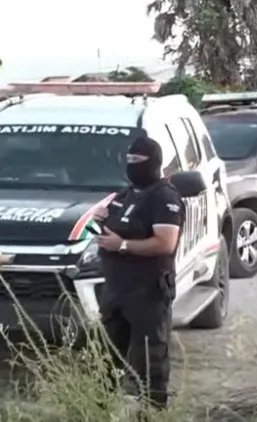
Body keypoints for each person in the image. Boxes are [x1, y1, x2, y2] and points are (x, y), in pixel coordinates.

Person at [92, 135, 185, 409]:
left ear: (154, 162)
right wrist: (99, 221)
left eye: (138, 161)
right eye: (129, 160)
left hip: (148, 292)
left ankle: (153, 412)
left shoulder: (165, 197)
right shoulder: (125, 194)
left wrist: (121, 245)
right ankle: (99, 409)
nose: (132, 166)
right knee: (105, 357)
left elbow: (165, 243)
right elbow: (110, 223)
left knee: (150, 359)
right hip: (116, 290)